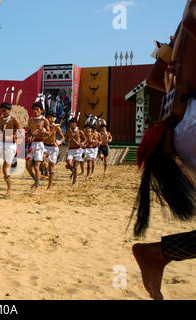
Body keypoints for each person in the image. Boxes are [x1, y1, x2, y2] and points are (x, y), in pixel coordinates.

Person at [131, 1, 196, 300]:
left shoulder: (181, 23)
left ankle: (159, 253)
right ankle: (158, 253)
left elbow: (155, 78)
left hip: (182, 126)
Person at [0, 102, 22, 198]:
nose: (3, 112)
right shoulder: (1, 118)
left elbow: (21, 132)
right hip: (1, 142)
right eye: (2, 110)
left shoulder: (14, 119)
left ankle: (9, 188)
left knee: (6, 169)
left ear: (9, 110)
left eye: (5, 110)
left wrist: (13, 137)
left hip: (11, 144)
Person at [26, 102, 50, 195]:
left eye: (37, 109)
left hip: (40, 144)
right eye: (34, 109)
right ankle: (36, 181)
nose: (35, 111)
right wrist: (29, 137)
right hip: (31, 144)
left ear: (41, 111)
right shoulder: (30, 120)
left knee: (36, 167)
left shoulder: (45, 121)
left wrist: (42, 130)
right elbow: (29, 131)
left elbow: (48, 133)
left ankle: (37, 188)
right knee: (28, 166)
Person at [43, 111, 65, 191]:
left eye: (51, 117)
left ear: (53, 118)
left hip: (53, 148)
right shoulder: (44, 126)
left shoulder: (56, 127)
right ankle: (45, 172)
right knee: (42, 159)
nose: (49, 119)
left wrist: (59, 142)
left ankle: (49, 187)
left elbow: (63, 137)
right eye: (48, 117)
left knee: (51, 168)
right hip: (45, 146)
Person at [64, 118, 86, 185]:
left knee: (76, 167)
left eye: (73, 123)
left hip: (78, 150)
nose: (72, 124)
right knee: (69, 164)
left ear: (76, 124)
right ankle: (73, 172)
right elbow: (65, 139)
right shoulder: (68, 131)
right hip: (70, 149)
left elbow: (85, 139)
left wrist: (82, 143)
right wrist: (67, 141)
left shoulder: (79, 131)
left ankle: (74, 181)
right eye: (71, 123)